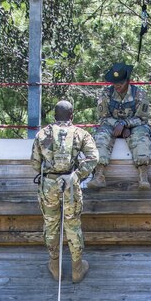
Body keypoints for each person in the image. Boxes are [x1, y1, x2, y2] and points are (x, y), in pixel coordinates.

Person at [31, 100, 98, 282]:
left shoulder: (42, 134)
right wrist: (76, 176)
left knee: (51, 224)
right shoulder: (80, 134)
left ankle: (55, 265)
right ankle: (77, 268)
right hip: (70, 184)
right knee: (73, 225)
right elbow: (93, 158)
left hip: (49, 185)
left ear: (54, 115)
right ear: (72, 115)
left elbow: (35, 163)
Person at [90, 63, 151, 189]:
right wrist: (118, 125)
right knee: (101, 135)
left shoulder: (139, 94)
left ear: (128, 81)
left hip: (133, 126)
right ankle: (99, 175)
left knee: (141, 134)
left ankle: (143, 176)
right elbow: (103, 118)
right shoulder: (107, 94)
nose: (117, 85)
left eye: (121, 82)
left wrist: (125, 124)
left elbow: (142, 118)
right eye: (115, 82)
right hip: (112, 126)